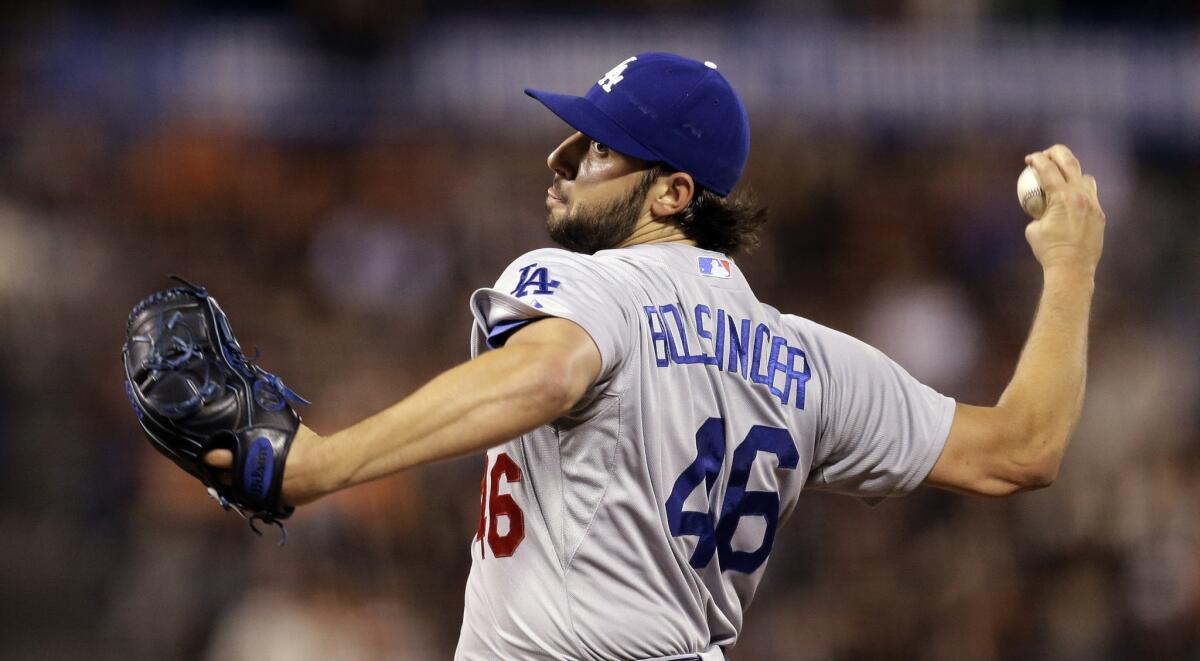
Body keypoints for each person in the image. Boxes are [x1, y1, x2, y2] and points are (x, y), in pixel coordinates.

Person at [208, 52, 1106, 660]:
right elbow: (1021, 449)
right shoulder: (811, 359)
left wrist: (318, 466)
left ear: (675, 192)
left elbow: (548, 371)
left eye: (599, 147)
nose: (564, 160)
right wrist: (1070, 268)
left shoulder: (586, 284)